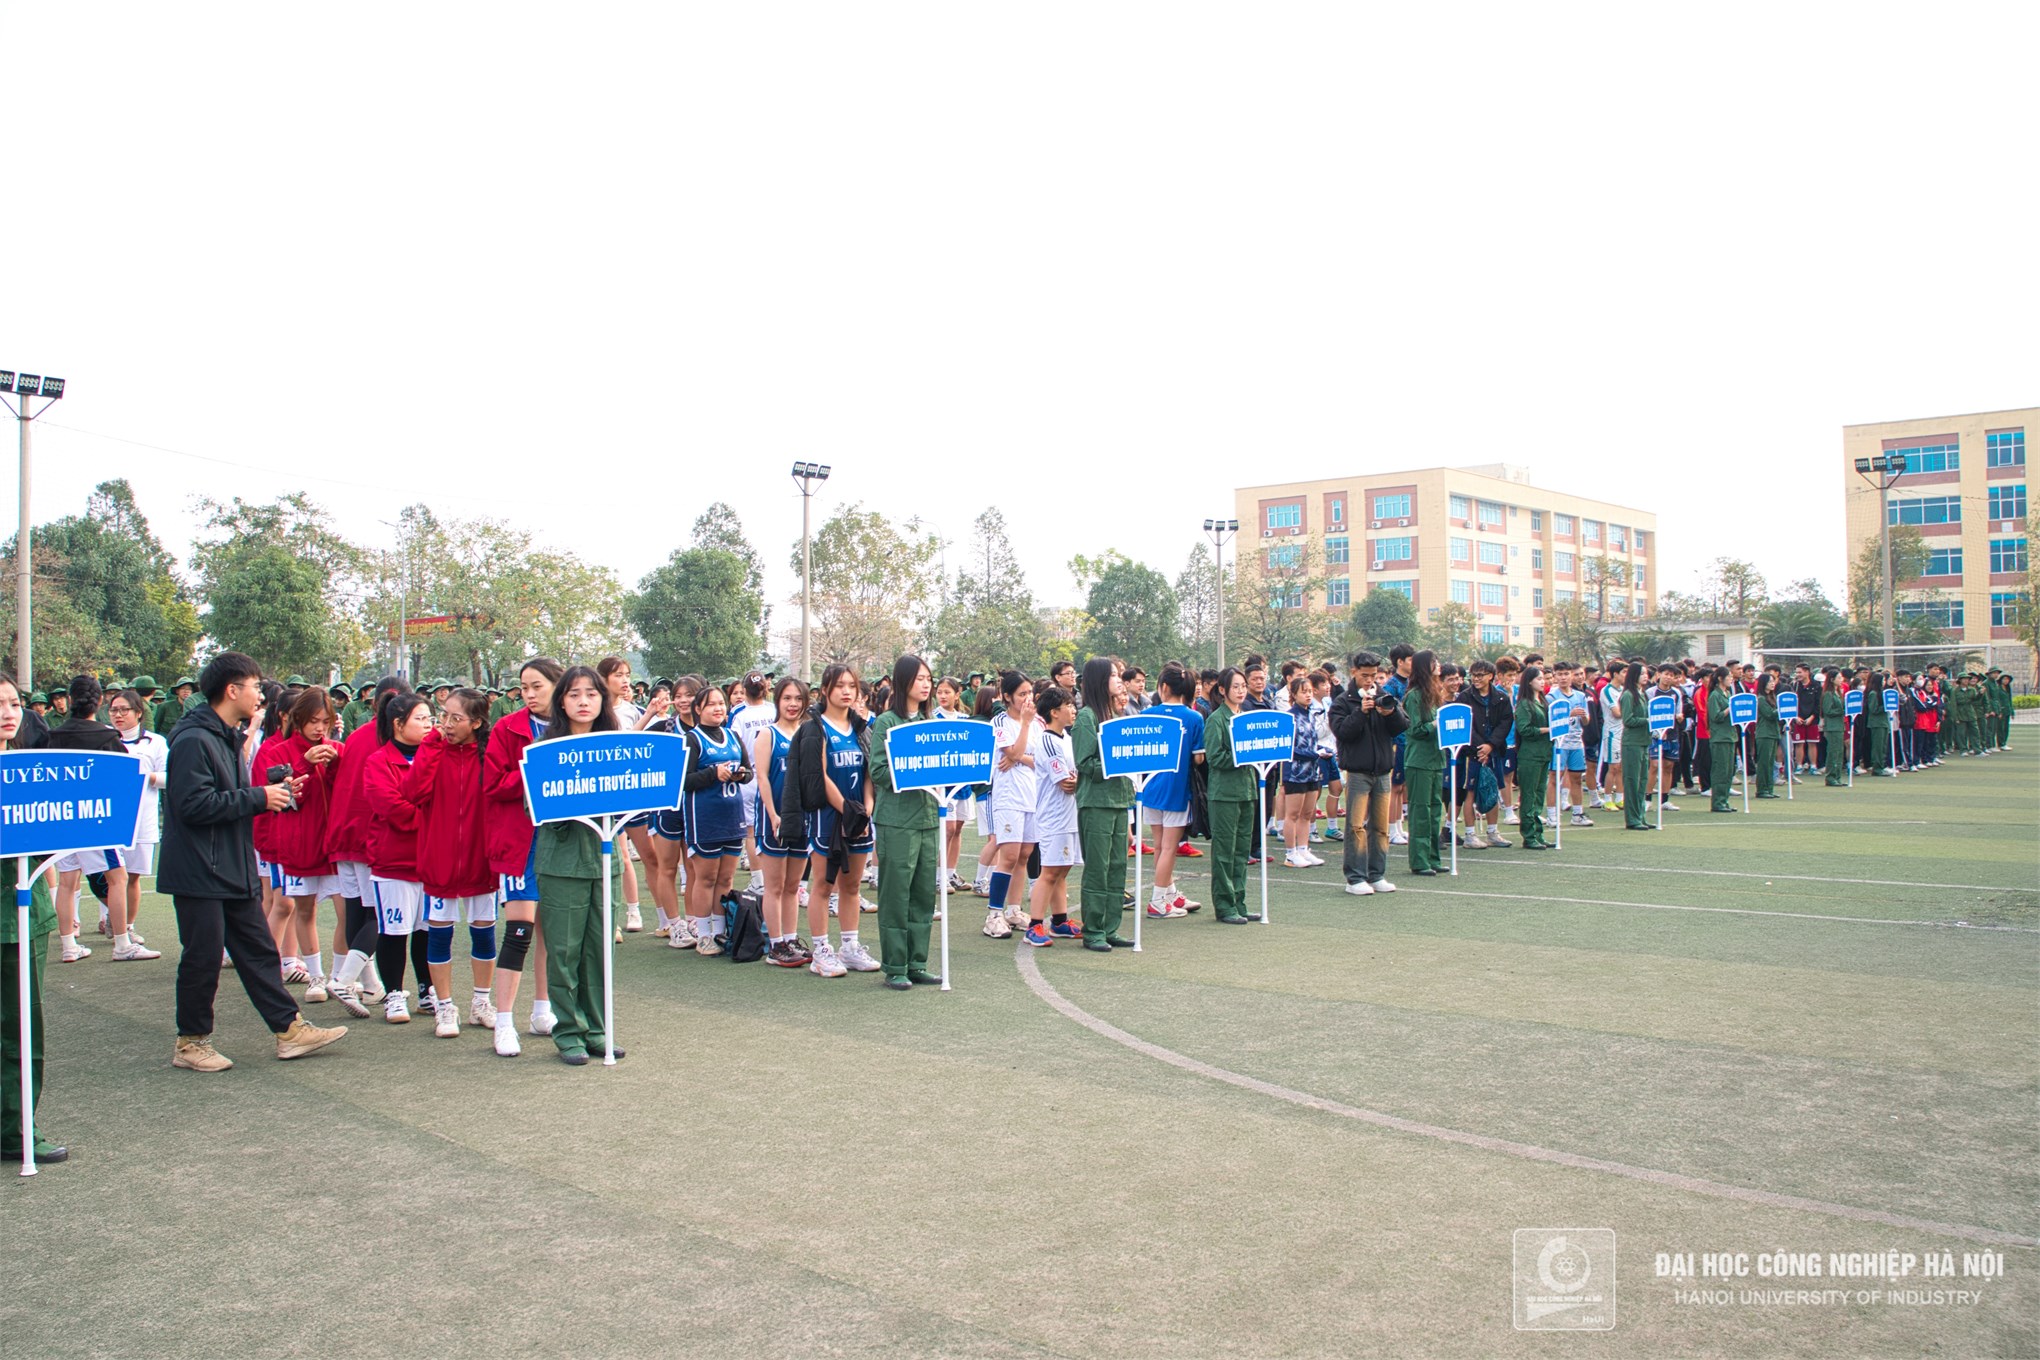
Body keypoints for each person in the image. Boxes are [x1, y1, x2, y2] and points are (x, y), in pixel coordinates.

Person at [160, 654, 347, 1071]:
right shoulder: (194, 739)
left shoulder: (225, 734)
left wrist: (272, 792)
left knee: (260, 951)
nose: (260, 694)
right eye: (254, 686)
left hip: (230, 866)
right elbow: (193, 805)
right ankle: (191, 1042)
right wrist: (261, 797)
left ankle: (289, 1029)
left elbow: (228, 797)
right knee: (202, 957)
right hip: (199, 870)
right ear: (232, 690)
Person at [531, 667, 626, 1065]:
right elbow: (537, 807)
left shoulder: (619, 747)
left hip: (606, 862)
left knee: (599, 951)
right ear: (562, 702)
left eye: (591, 694)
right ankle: (568, 1031)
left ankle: (597, 1030)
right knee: (565, 952)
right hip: (562, 864)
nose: (583, 701)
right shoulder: (546, 749)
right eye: (574, 694)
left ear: (603, 701)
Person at [402, 687, 499, 1038]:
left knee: (484, 935)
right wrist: (430, 746)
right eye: (442, 716)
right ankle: (445, 1006)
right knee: (439, 937)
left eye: (455, 718)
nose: (445, 724)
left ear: (476, 722)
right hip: (439, 861)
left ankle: (481, 1003)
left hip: (480, 861)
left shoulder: (488, 756)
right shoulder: (432, 751)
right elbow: (412, 793)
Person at [482, 658, 563, 1054]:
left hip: (561, 840)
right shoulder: (507, 727)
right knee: (520, 930)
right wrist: (535, 770)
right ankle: (503, 1021)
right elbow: (494, 784)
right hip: (520, 842)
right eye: (524, 687)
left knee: (551, 929)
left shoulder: (574, 726)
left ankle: (542, 1009)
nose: (529, 695)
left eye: (537, 687)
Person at [0, 675, 66, 1163]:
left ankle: (18, 1127)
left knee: (22, 1027)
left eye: (13, 702)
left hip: (22, 916)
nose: (9, 711)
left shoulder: (33, 772)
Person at [780, 664, 878, 977]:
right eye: (839, 686)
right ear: (826, 690)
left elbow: (868, 772)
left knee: (851, 887)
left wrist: (867, 807)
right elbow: (816, 775)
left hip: (859, 818)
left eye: (852, 685)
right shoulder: (815, 728)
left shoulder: (861, 727)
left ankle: (850, 947)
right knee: (823, 886)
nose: (847, 691)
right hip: (827, 818)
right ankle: (822, 951)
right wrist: (846, 809)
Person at [256, 687, 346, 999]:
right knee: (302, 910)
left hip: (333, 845)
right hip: (299, 845)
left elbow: (344, 795)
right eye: (313, 721)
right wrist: (305, 764)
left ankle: (340, 976)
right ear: (297, 720)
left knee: (345, 911)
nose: (319, 728)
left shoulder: (337, 748)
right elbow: (286, 799)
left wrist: (334, 765)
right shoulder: (276, 753)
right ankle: (317, 976)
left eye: (325, 721)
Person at [866, 655, 945, 988]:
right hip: (897, 820)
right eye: (919, 679)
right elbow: (879, 772)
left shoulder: (935, 722)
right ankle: (895, 965)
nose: (926, 684)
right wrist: (915, 771)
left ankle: (917, 962)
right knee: (896, 893)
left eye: (929, 679)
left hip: (929, 817)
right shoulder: (887, 722)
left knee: (924, 894)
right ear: (903, 683)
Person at [43, 676, 130, 963]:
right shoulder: (106, 737)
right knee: (117, 879)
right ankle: (122, 943)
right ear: (101, 701)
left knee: (68, 882)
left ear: (70, 700)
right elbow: (124, 779)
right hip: (96, 820)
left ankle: (68, 945)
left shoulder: (52, 736)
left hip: (61, 821)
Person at [363, 694, 434, 1023]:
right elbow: (391, 807)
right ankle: (393, 993)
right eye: (420, 718)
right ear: (398, 724)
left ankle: (427, 990)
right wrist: (435, 819)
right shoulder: (378, 761)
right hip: (394, 862)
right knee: (394, 931)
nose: (428, 724)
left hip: (431, 862)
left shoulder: (436, 756)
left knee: (428, 931)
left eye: (430, 718)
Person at [678, 682, 751, 956]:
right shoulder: (693, 739)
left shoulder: (732, 735)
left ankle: (721, 931)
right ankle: (704, 933)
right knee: (705, 878)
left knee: (727, 878)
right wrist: (713, 774)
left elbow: (748, 772)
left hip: (732, 816)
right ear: (698, 709)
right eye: (711, 704)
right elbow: (683, 781)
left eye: (721, 703)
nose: (718, 708)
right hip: (704, 818)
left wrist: (741, 774)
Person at [1327, 651, 1406, 893]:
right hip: (1358, 771)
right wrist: (1361, 712)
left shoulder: (1385, 696)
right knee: (1355, 826)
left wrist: (1389, 713)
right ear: (1353, 672)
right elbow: (1342, 732)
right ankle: (1355, 878)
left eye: (1374, 675)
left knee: (1380, 826)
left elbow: (1403, 725)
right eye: (1364, 675)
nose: (1370, 680)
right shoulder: (1343, 701)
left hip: (1382, 770)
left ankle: (1377, 874)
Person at [1072, 657, 1135, 950]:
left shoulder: (1116, 713)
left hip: (1120, 798)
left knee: (1118, 865)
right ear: (1099, 680)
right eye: (1113, 675)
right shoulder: (1087, 717)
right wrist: (1114, 764)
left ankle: (1111, 927)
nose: (1119, 679)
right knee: (1098, 866)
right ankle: (1094, 929)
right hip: (1097, 801)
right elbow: (1085, 762)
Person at [102, 687, 170, 956]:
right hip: (112, 819)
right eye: (113, 710)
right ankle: (113, 924)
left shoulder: (155, 742)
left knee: (133, 877)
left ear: (139, 714)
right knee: (112, 876)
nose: (118, 715)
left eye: (124, 710)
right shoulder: (105, 739)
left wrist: (146, 777)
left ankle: (128, 926)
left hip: (144, 819)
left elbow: (169, 777)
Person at [1138, 667, 1205, 916]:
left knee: (1159, 846)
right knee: (1168, 848)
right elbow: (1198, 758)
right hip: (1177, 789)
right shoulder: (1194, 718)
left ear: (1163, 687)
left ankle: (1169, 893)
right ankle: (1158, 900)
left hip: (1150, 787)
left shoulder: (1147, 714)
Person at [754, 678, 812, 967]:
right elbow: (762, 777)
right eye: (787, 698)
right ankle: (775, 945)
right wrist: (773, 814)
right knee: (774, 886)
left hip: (802, 817)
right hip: (774, 817)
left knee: (794, 886)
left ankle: (790, 939)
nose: (793, 704)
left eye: (798, 699)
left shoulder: (808, 733)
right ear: (777, 700)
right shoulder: (768, 734)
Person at [980, 671, 1041, 941]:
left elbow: (1038, 758)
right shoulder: (1000, 723)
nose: (1027, 699)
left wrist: (1021, 758)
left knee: (1025, 853)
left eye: (1030, 693)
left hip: (1032, 795)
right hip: (1008, 797)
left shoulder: (1038, 724)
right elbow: (1013, 753)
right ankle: (994, 914)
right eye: (1021, 694)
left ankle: (1014, 910)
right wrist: (1021, 748)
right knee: (1009, 855)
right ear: (1007, 697)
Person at [1022, 684, 1082, 948]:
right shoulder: (1046, 740)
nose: (1073, 709)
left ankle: (1059, 920)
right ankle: (1034, 925)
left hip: (1069, 814)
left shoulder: (1067, 738)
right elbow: (1065, 781)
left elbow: (1074, 776)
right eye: (1068, 705)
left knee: (1062, 869)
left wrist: (1077, 779)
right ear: (1054, 712)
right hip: (1053, 816)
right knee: (1049, 871)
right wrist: (1079, 780)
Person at [1201, 668, 1258, 923]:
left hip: (1247, 790)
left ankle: (1239, 901)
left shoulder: (1244, 717)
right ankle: (1225, 906)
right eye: (1235, 686)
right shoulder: (1216, 719)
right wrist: (1242, 754)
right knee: (1224, 851)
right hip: (1224, 793)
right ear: (1222, 690)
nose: (1241, 690)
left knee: (1241, 850)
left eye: (1243, 686)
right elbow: (1214, 758)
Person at [1402, 651, 1447, 876]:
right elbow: (1415, 729)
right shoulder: (1415, 695)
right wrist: (1436, 725)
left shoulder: (1435, 693)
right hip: (1419, 760)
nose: (1438, 665)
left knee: (1435, 810)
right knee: (1421, 810)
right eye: (1433, 662)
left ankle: (1433, 857)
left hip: (1436, 759)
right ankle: (1419, 860)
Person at [1279, 676, 1324, 867]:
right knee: (1293, 814)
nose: (1308, 695)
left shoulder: (1312, 714)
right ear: (1294, 694)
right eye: (1303, 691)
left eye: (1310, 691)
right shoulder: (1289, 717)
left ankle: (1304, 849)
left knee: (1308, 813)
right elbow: (1288, 748)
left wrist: (1322, 752)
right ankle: (1291, 852)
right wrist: (1312, 754)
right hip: (1295, 772)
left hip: (1312, 771)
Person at [1514, 667, 1552, 849]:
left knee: (1539, 795)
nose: (1542, 681)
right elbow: (1524, 729)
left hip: (1544, 752)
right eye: (1539, 679)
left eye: (1543, 678)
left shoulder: (1542, 701)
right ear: (1529, 681)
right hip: (1530, 754)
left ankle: (1538, 833)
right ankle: (1529, 835)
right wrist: (1547, 730)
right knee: (1529, 795)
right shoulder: (1524, 704)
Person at [1618, 663, 1652, 830]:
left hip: (1644, 741)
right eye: (1642, 674)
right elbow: (1628, 720)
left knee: (1642, 780)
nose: (1646, 676)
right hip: (1632, 742)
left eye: (1646, 674)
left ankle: (1640, 815)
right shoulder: (1628, 695)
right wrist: (1648, 721)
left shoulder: (1642, 694)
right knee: (1632, 780)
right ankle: (1632, 818)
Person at [1753, 672, 1783, 798]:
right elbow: (1770, 714)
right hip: (1764, 733)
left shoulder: (1771, 697)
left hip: (1772, 733)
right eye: (1770, 681)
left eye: (1773, 681)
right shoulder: (1760, 699)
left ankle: (1769, 788)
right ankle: (1762, 789)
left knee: (1770, 762)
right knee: (1764, 763)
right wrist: (1782, 709)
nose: (1772, 684)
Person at [1820, 669, 1848, 786]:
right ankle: (1831, 776)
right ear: (1832, 680)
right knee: (1833, 752)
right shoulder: (1828, 694)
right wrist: (1842, 710)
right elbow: (1827, 710)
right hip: (1832, 727)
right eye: (1839, 678)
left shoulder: (1838, 693)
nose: (1841, 680)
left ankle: (1837, 776)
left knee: (1839, 752)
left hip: (1839, 726)